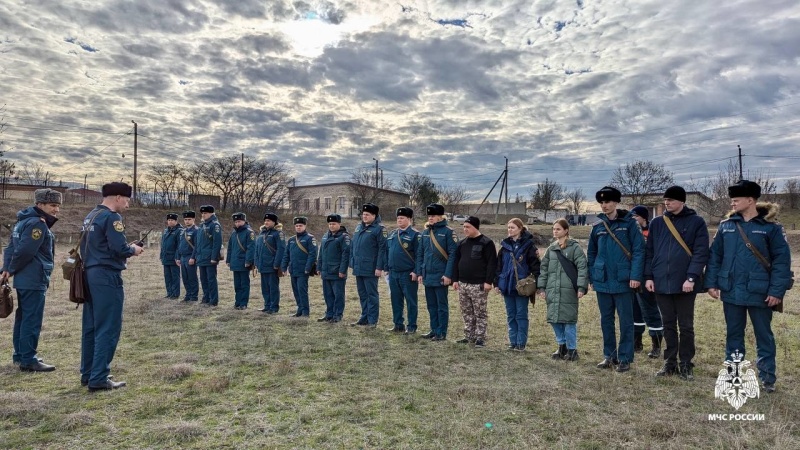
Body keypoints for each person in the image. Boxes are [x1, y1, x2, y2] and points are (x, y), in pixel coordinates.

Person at [705, 180, 791, 393]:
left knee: (764, 335)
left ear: (751, 200)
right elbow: (715, 257)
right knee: (733, 335)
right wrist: (712, 283)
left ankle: (767, 378)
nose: (732, 203)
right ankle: (734, 376)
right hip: (731, 290)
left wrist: (776, 291)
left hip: (760, 292)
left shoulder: (772, 228)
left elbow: (781, 262)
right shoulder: (726, 227)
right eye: (732, 199)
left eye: (736, 199)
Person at [79, 182, 144, 391]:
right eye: (126, 200)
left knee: (91, 326)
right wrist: (132, 249)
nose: (127, 204)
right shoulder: (112, 217)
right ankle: (99, 377)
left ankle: (88, 373)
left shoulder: (91, 216)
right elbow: (118, 248)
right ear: (117, 197)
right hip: (106, 276)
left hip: (89, 274)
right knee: (108, 326)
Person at [644, 187, 709, 380]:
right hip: (661, 282)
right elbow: (650, 252)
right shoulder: (657, 223)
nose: (667, 203)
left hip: (685, 284)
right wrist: (648, 276)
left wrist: (691, 277)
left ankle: (686, 363)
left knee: (686, 326)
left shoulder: (697, 222)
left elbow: (700, 252)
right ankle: (669, 362)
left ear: (682, 201)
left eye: (671, 200)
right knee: (668, 324)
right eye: (665, 200)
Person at [1, 189, 62, 372]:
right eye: (52, 205)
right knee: (32, 318)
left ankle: (20, 355)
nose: (56, 210)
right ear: (40, 205)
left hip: (24, 278)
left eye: (58, 206)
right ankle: (28, 359)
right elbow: (25, 251)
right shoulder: (38, 224)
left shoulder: (22, 222)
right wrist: (9, 269)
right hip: (34, 277)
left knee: (23, 317)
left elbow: (10, 247)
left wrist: (6, 269)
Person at [587, 186, 645, 372]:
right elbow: (592, 253)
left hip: (624, 280)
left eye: (608, 202)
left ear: (616, 202)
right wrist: (592, 276)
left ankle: (625, 357)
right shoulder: (597, 227)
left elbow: (638, 251)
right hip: (602, 279)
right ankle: (609, 356)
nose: (604, 205)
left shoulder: (629, 224)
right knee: (606, 320)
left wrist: (636, 276)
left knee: (626, 321)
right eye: (602, 202)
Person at [537, 218, 588, 361]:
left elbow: (582, 268)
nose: (555, 231)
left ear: (566, 231)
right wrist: (541, 287)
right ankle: (561, 346)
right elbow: (544, 269)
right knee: (554, 319)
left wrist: (581, 287)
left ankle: (572, 350)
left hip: (568, 290)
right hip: (552, 289)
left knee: (568, 320)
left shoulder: (575, 248)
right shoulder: (551, 249)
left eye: (558, 229)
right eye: (554, 229)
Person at [495, 218, 541, 351]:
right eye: (508, 227)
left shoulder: (529, 246)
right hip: (507, 285)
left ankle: (521, 343)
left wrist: (537, 285)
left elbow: (535, 266)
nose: (510, 230)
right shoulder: (504, 247)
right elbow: (499, 266)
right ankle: (513, 341)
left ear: (520, 229)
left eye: (513, 227)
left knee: (521, 315)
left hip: (522, 286)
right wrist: (497, 283)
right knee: (511, 315)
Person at [452, 216, 497, 348]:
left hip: (479, 285)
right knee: (466, 311)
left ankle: (480, 337)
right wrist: (455, 279)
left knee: (480, 312)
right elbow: (456, 262)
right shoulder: (462, 243)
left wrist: (489, 281)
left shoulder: (486, 243)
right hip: (463, 284)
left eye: (468, 227)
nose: (465, 229)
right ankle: (469, 335)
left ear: (475, 227)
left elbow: (491, 264)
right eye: (464, 227)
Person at [417, 203, 457, 341]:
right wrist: (420, 272)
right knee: (431, 305)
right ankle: (434, 329)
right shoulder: (425, 232)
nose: (430, 218)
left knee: (441, 306)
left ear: (440, 216)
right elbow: (420, 253)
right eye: (429, 216)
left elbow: (453, 255)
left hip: (441, 275)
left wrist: (448, 274)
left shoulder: (448, 232)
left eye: (433, 216)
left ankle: (442, 332)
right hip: (428, 274)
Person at [629, 206, 664, 358]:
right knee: (634, 310)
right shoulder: (631, 233)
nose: (633, 219)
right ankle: (637, 342)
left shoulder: (652, 232)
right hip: (632, 276)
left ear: (644, 218)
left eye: (635, 216)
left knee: (650, 311)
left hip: (648, 277)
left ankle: (656, 344)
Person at [349, 203, 387, 328]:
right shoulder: (359, 227)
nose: (364, 217)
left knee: (372, 294)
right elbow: (354, 246)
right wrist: (352, 262)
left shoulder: (379, 229)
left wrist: (379, 267)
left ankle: (372, 320)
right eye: (363, 214)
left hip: (371, 268)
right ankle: (364, 317)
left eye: (367, 215)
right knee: (362, 294)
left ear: (374, 216)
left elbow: (382, 249)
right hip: (359, 266)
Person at [386, 207, 421, 334]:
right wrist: (387, 268)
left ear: (409, 219)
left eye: (402, 218)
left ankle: (411, 326)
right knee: (395, 300)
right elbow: (387, 251)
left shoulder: (415, 235)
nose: (399, 220)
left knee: (411, 301)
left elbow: (419, 255)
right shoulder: (393, 234)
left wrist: (416, 271)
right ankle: (398, 324)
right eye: (398, 218)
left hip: (408, 274)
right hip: (393, 273)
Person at [281, 216, 317, 317]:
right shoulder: (292, 239)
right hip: (293, 269)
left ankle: (305, 312)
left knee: (302, 291)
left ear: (305, 226)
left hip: (303, 270)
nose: (298, 227)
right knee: (296, 291)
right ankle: (299, 310)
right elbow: (286, 254)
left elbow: (312, 254)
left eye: (300, 225)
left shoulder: (310, 238)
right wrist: (284, 267)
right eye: (296, 226)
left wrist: (308, 268)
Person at [318, 214, 350, 323]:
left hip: (337, 272)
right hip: (326, 271)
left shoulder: (343, 237)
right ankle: (329, 314)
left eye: (334, 224)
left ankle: (337, 315)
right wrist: (319, 267)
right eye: (330, 224)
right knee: (328, 295)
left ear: (339, 224)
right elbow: (321, 253)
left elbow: (346, 255)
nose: (331, 226)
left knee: (338, 295)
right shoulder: (325, 236)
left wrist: (342, 270)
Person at [191, 205, 222, 307]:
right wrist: (195, 256)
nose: (203, 215)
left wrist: (214, 258)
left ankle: (213, 300)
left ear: (211, 214)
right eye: (202, 213)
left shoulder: (215, 225)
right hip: (201, 257)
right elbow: (197, 243)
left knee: (211, 279)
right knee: (203, 279)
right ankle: (206, 297)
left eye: (206, 213)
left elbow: (217, 243)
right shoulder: (201, 225)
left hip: (209, 258)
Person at [254, 213, 285, 314]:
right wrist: (256, 263)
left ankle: (274, 307)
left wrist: (276, 264)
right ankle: (267, 305)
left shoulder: (278, 234)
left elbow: (281, 250)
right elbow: (257, 249)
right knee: (265, 288)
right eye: (265, 220)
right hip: (262, 265)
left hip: (272, 265)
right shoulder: (262, 233)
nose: (266, 222)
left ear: (274, 222)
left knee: (273, 287)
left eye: (269, 221)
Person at [226, 213, 255, 310]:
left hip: (243, 263)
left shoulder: (249, 232)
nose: (237, 223)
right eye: (236, 222)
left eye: (239, 221)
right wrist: (228, 260)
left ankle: (243, 303)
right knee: (237, 284)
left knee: (244, 284)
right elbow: (230, 248)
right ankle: (237, 302)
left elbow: (251, 248)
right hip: (235, 262)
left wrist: (248, 261)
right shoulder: (234, 233)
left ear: (244, 221)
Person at [176, 211, 199, 302]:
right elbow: (179, 245)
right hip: (183, 257)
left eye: (189, 219)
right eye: (185, 219)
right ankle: (188, 294)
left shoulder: (196, 231)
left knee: (192, 277)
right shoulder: (183, 231)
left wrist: (193, 257)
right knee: (185, 277)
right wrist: (178, 257)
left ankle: (194, 296)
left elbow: (197, 246)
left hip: (190, 256)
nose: (187, 221)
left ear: (193, 219)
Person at [160, 213, 182, 299]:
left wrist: (177, 257)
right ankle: (169, 292)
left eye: (172, 220)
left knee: (175, 276)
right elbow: (163, 244)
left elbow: (179, 246)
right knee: (167, 276)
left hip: (173, 257)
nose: (170, 221)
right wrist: (161, 255)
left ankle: (175, 293)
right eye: (169, 220)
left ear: (176, 221)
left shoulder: (179, 231)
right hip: (166, 257)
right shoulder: (166, 230)